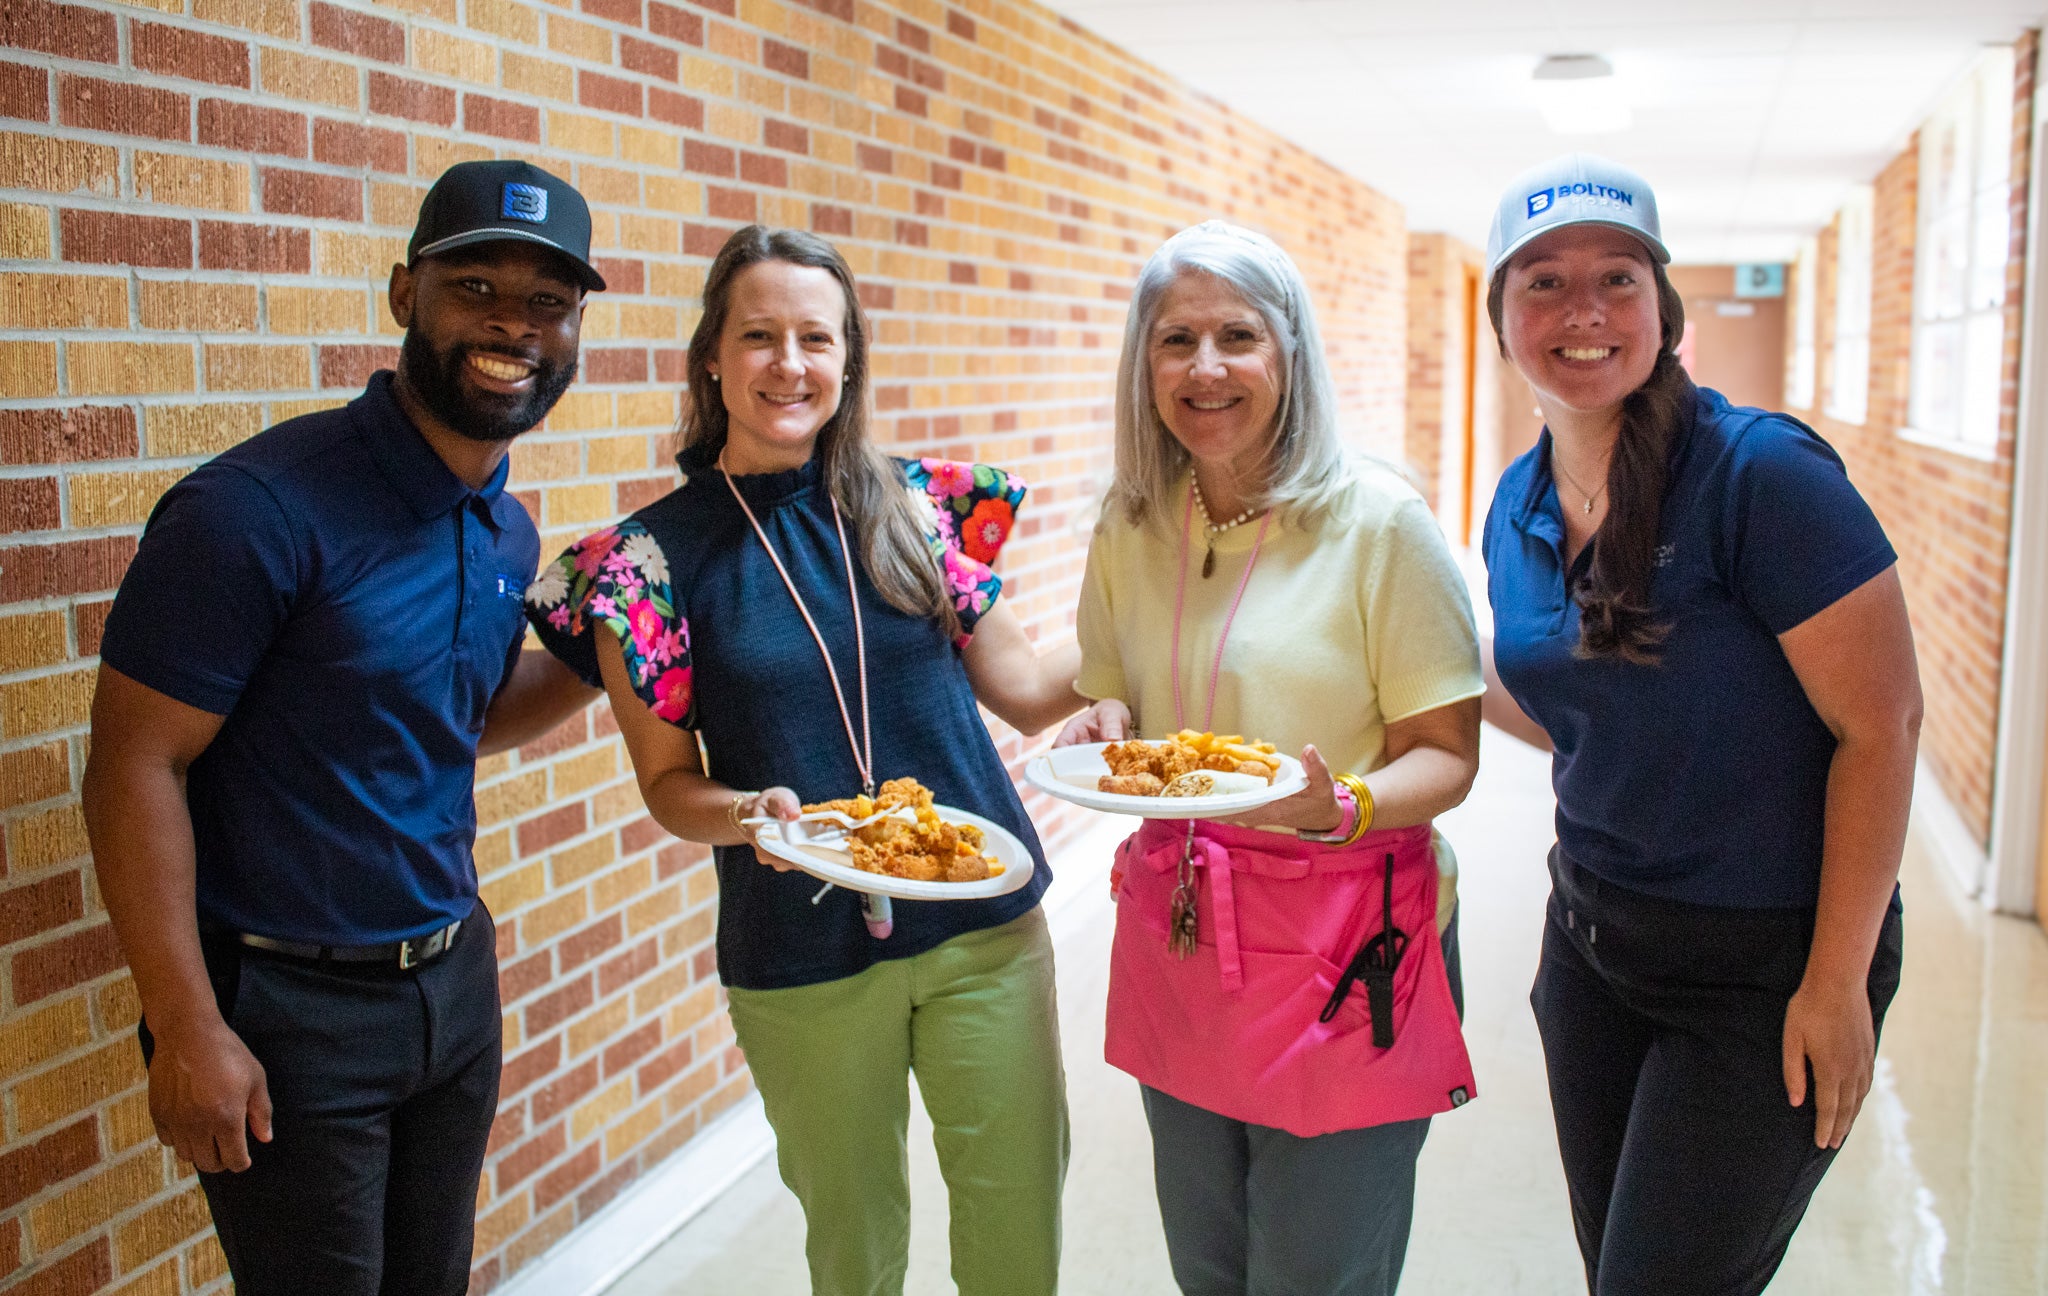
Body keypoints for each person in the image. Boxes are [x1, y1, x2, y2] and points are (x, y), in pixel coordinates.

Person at [523, 225, 1083, 1296]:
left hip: (982, 922)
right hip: (798, 948)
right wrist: (750, 817)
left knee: (1017, 1226)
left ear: (846, 359)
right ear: (711, 358)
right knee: (854, 1246)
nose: (790, 363)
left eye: (816, 338)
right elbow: (666, 786)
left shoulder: (916, 505)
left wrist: (1134, 627)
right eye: (760, 335)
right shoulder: (646, 564)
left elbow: (1022, 690)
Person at [81, 160, 606, 1295]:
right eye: (475, 286)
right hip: (284, 1015)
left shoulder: (503, 525)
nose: (512, 323)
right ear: (402, 295)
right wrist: (184, 1024)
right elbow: (134, 764)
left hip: (453, 981)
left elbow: (451, 718)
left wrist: (595, 648)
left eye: (548, 302)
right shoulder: (254, 512)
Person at [1476, 154, 1915, 1296]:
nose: (1582, 312)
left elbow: (1882, 726)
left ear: (1662, 314)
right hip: (1590, 951)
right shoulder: (1514, 506)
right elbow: (1575, 711)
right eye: (1541, 283)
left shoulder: (1756, 474)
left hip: (1763, 970)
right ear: (1499, 322)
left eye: (1616, 279)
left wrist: (1835, 982)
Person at [1056, 220, 1483, 1296]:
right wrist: (1105, 723)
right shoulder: (1132, 522)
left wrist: (1334, 807)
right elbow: (1116, 687)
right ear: (1141, 362)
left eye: (1237, 335)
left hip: (1348, 952)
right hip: (1185, 938)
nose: (1205, 368)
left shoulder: (1377, 524)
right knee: (1208, 1267)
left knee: (1315, 1274)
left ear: (1288, 351)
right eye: (1175, 339)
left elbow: (1446, 756)